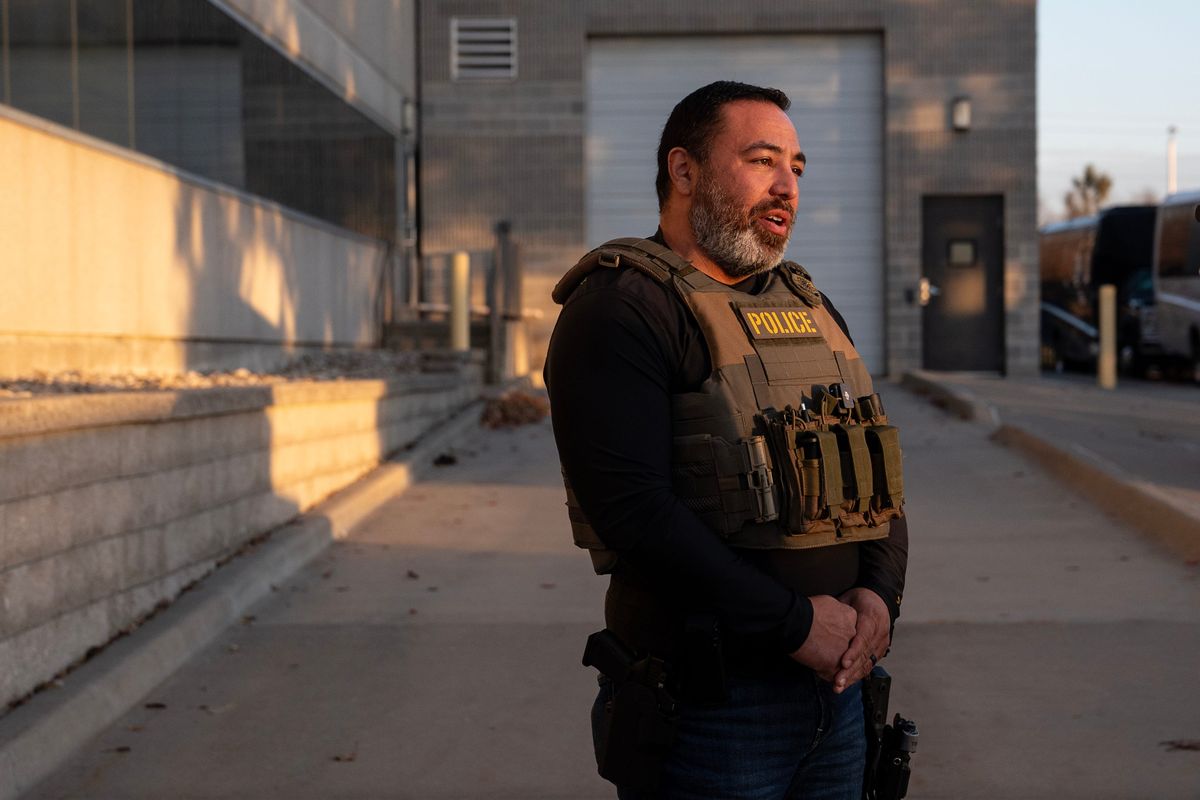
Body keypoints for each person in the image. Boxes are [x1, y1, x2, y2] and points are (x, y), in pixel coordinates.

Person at [544, 81, 909, 800]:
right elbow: (637, 515)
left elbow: (874, 469)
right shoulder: (621, 308)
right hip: (714, 712)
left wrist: (879, 600)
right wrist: (795, 623)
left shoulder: (811, 306)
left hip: (839, 694)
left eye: (797, 168)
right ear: (685, 172)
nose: (786, 187)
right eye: (761, 160)